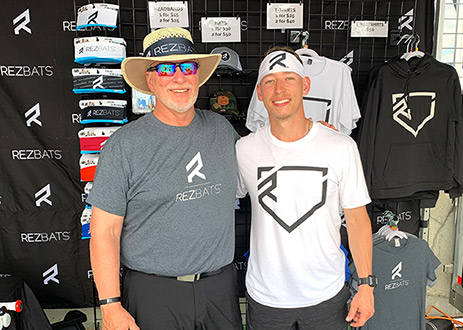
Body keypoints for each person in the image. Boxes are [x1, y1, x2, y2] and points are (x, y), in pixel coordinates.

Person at [87, 27, 242, 330]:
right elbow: (104, 232)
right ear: (150, 79)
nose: (179, 78)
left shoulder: (222, 130)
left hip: (219, 290)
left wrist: (308, 133)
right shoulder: (124, 145)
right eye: (167, 68)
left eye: (187, 67)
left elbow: (268, 155)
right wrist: (110, 304)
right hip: (153, 294)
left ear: (197, 75)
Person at [236, 46, 375, 330]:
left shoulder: (340, 147)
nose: (279, 89)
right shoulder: (244, 150)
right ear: (260, 93)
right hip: (266, 298)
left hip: (326, 294)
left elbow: (358, 219)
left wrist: (366, 285)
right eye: (270, 81)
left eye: (289, 78)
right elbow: (220, 199)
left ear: (305, 85)